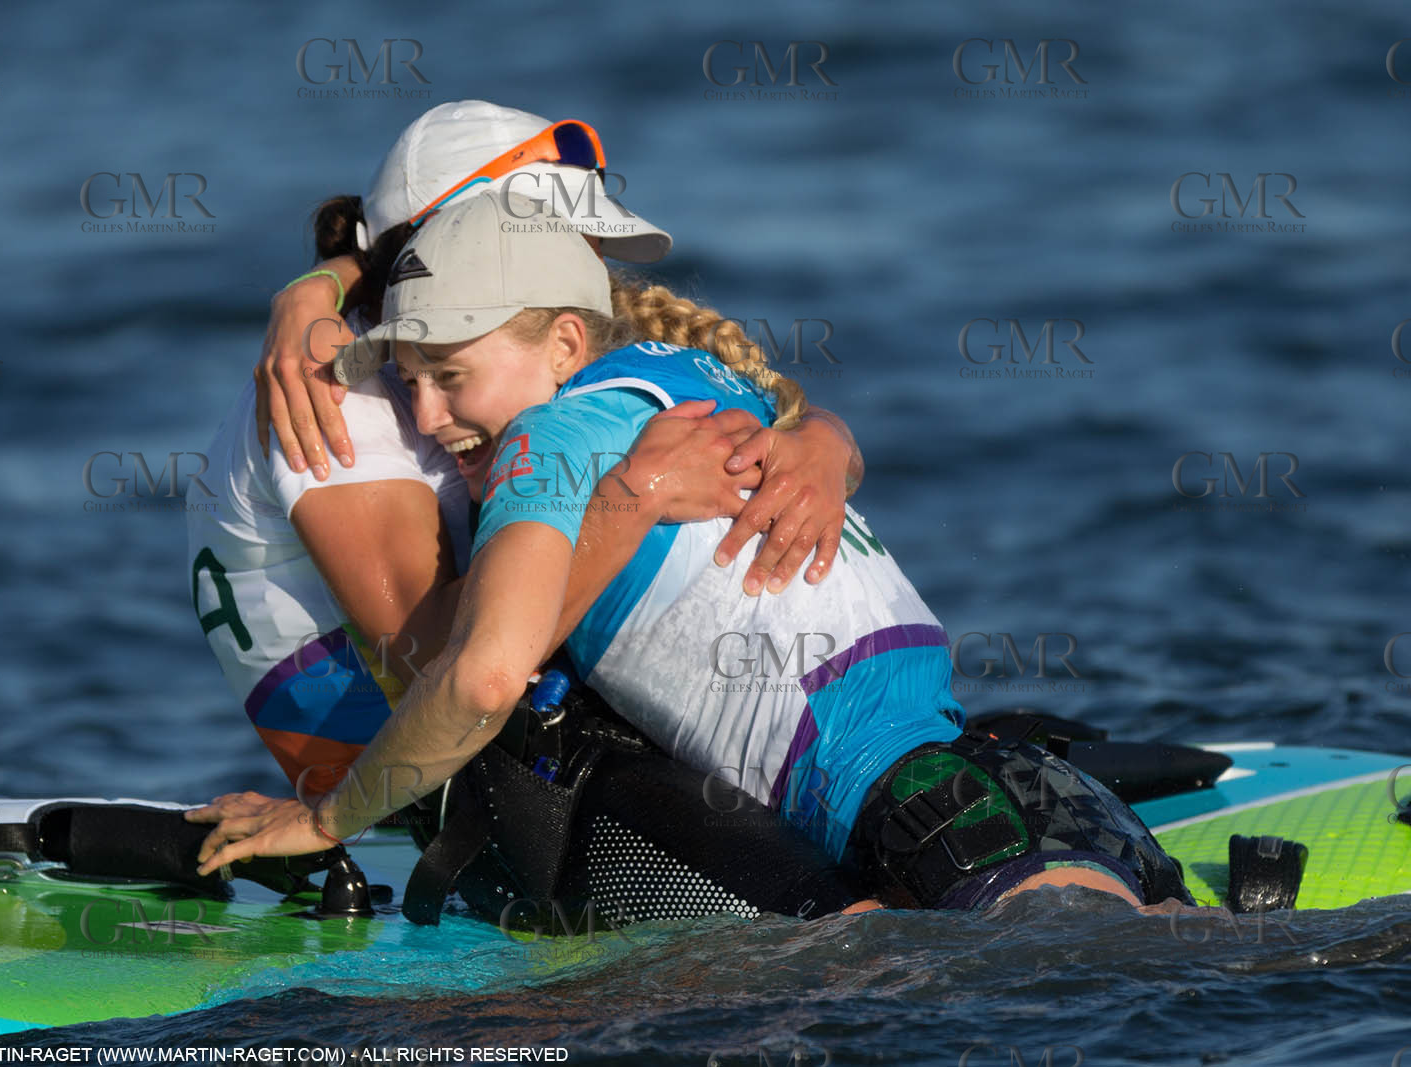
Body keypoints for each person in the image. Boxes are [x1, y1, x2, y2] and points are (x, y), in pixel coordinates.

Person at [191, 192, 1193, 914]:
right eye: (408, 381)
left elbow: (485, 674)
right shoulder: (694, 374)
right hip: (1027, 793)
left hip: (918, 833)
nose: (426, 414)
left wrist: (326, 819)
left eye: (450, 375)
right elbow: (826, 436)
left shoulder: (545, 444)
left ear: (564, 347)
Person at [185, 101, 877, 920]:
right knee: (839, 929)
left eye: (580, 248)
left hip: (515, 721)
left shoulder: (484, 350)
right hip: (432, 781)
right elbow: (450, 666)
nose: (576, 270)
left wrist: (822, 447)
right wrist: (634, 500)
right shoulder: (346, 393)